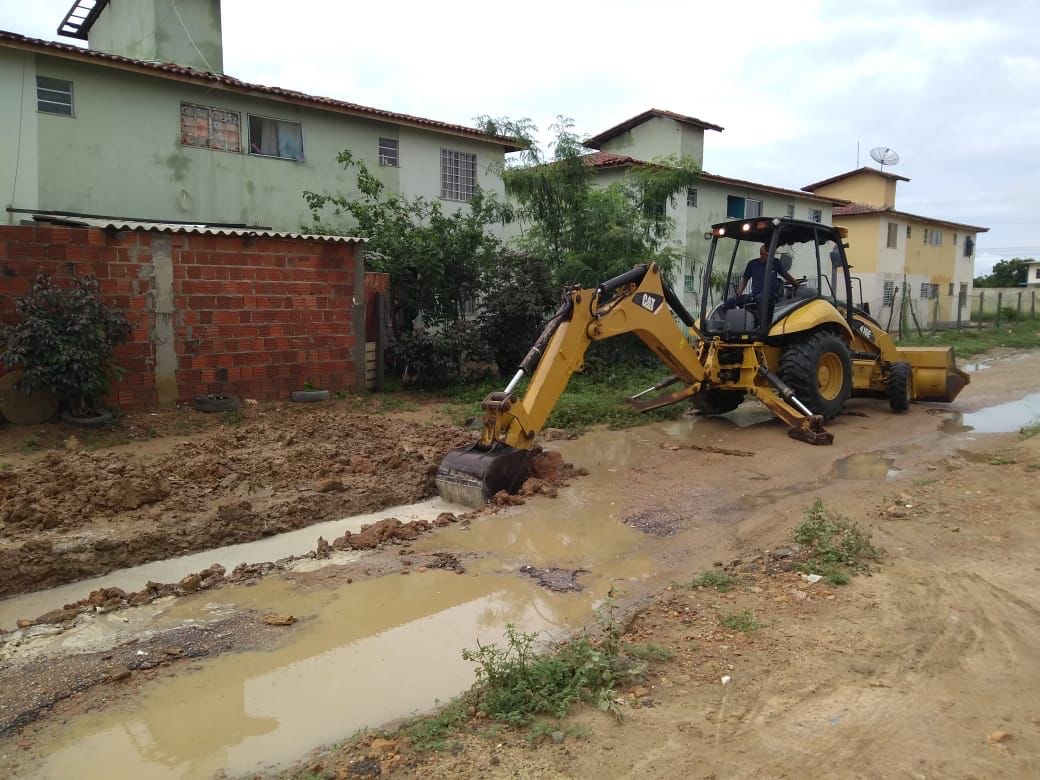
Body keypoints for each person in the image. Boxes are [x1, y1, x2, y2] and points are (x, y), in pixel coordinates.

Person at [724, 244, 801, 310]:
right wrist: (738, 293)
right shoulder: (752, 264)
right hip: (754, 295)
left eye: (772, 254)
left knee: (760, 298)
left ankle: (760, 321)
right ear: (762, 254)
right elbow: (745, 279)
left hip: (770, 296)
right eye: (768, 254)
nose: (771, 256)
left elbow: (786, 276)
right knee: (730, 302)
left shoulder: (776, 263)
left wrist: (798, 286)